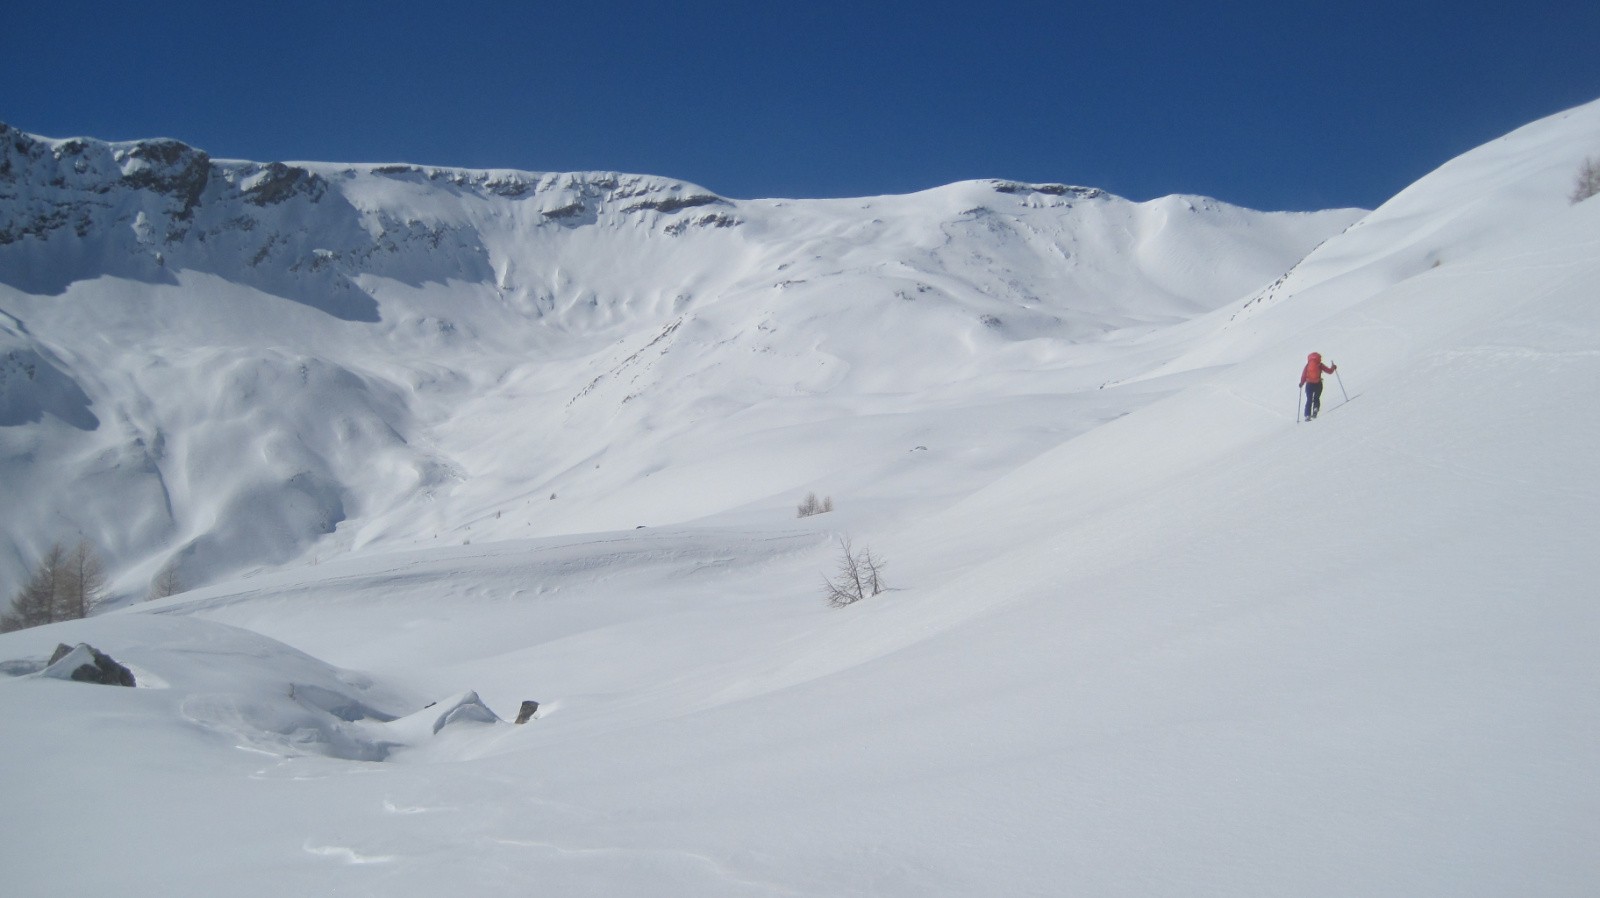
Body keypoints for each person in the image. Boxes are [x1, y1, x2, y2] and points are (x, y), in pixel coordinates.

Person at [1299, 352, 1337, 420]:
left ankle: (1307, 415)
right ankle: (1315, 408)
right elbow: (1329, 371)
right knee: (1316, 398)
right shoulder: (1319, 365)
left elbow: (1303, 376)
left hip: (1309, 384)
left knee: (1309, 399)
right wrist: (1333, 367)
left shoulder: (1307, 366)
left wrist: (1301, 383)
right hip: (1318, 384)